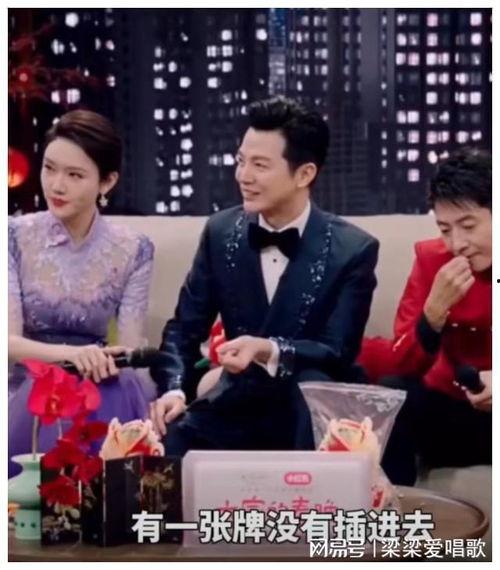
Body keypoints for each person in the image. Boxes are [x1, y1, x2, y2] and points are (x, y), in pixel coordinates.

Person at [149, 96, 379, 455]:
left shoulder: (352, 249)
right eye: (241, 161)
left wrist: (268, 349)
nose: (244, 176)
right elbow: (184, 328)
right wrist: (174, 389)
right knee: (171, 443)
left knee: (310, 388)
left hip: (310, 409)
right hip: (239, 401)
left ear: (304, 174)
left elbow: (337, 351)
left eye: (260, 165)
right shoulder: (221, 232)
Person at [8, 110, 155, 477]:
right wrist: (73, 356)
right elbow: (7, 343)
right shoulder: (12, 237)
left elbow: (130, 350)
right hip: (28, 385)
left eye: (74, 175)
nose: (56, 186)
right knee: (56, 393)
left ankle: (98, 495)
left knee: (120, 384)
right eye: (49, 169)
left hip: (97, 383)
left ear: (107, 182)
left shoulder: (134, 250)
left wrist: (112, 360)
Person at [358, 148, 492, 485]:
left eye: (468, 226)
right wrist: (432, 314)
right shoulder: (432, 261)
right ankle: (395, 510)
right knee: (392, 393)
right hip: (452, 409)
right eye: (445, 229)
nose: (457, 244)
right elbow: (401, 362)